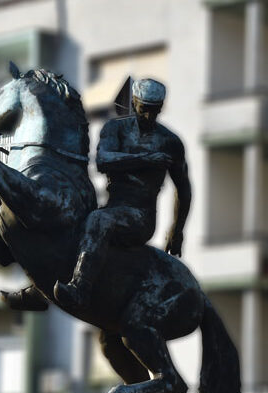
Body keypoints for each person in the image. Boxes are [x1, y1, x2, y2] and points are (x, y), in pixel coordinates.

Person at [50, 77, 191, 309]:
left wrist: (177, 232)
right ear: (134, 103)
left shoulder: (170, 142)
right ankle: (39, 287)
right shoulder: (115, 128)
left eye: (155, 110)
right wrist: (146, 159)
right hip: (112, 206)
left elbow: (183, 189)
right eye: (144, 109)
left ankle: (80, 289)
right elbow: (103, 160)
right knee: (64, 215)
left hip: (140, 216)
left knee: (98, 220)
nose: (149, 116)